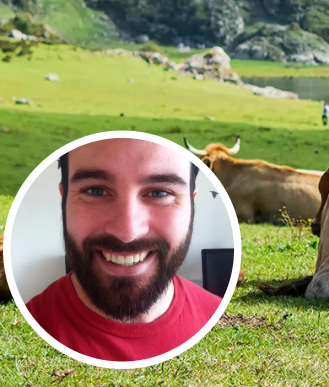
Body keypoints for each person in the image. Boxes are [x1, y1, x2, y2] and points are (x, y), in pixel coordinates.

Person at [25, 137, 221, 362]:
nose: (127, 232)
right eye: (96, 191)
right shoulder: (28, 327)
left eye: (159, 193)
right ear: (64, 199)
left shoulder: (219, 320)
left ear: (192, 203)